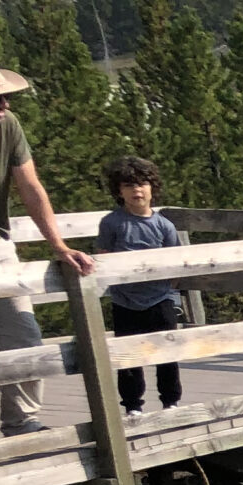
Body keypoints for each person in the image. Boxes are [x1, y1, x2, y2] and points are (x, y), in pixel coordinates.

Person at [0, 49, 94, 445]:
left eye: (5, 96)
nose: (5, 103)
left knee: (21, 333)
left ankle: (22, 421)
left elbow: (30, 186)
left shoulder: (8, 125)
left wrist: (59, 246)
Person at [96, 155, 182, 416]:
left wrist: (169, 291)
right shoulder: (112, 223)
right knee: (128, 356)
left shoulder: (164, 225)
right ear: (119, 191)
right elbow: (103, 257)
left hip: (160, 298)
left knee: (166, 350)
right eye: (129, 185)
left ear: (152, 188)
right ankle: (133, 405)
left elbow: (176, 261)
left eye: (142, 184)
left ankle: (171, 402)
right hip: (125, 301)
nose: (136, 190)